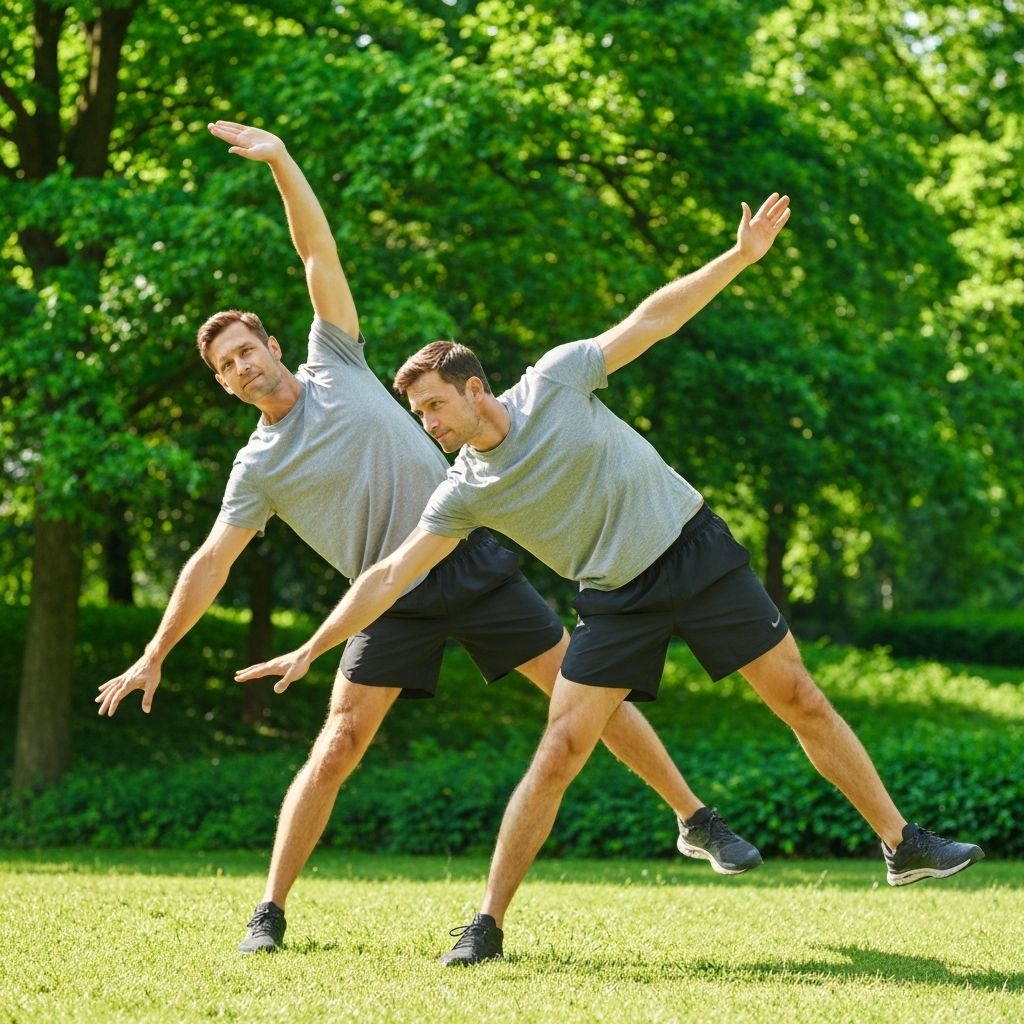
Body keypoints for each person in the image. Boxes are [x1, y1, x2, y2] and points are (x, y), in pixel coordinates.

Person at [238, 190, 984, 966]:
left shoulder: (556, 380)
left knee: (798, 695)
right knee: (560, 747)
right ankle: (487, 926)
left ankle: (902, 842)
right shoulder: (464, 490)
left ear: (474, 388)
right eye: (420, 414)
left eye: (434, 407)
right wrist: (316, 646)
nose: (429, 425)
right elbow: (392, 572)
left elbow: (652, 321)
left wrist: (738, 258)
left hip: (696, 553)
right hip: (617, 599)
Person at [96, 121, 761, 956]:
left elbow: (316, 253)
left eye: (245, 351)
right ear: (224, 385)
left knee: (589, 693)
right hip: (387, 595)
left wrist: (282, 161)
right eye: (225, 368)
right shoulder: (256, 467)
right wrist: (155, 651)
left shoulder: (335, 359)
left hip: (471, 560)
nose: (241, 368)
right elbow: (210, 562)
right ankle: (269, 910)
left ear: (272, 344)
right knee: (338, 743)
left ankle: (695, 818)